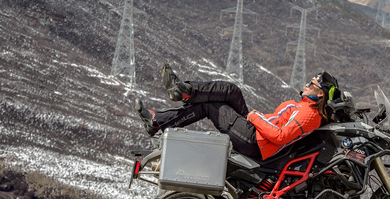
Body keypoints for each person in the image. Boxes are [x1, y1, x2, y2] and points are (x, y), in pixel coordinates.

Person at [135, 64, 339, 161]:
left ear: (320, 94)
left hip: (256, 142)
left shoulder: (310, 113)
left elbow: (281, 135)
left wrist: (255, 117)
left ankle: (159, 120)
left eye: (311, 84)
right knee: (231, 91)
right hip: (257, 134)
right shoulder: (305, 107)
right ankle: (185, 92)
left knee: (210, 106)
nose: (306, 84)